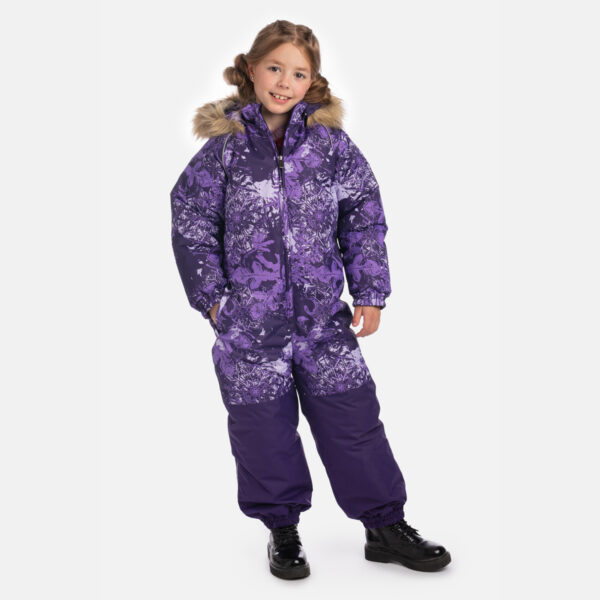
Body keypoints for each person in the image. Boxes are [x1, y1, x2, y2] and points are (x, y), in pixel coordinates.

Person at [170, 20, 451, 579]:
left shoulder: (331, 147)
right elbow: (191, 221)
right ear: (251, 70)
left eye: (299, 73)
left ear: (313, 81)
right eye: (274, 68)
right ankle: (282, 529)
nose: (285, 82)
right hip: (250, 329)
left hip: (324, 322)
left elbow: (363, 216)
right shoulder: (223, 151)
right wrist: (214, 301)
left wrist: (370, 290)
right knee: (262, 433)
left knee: (354, 423)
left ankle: (384, 526)